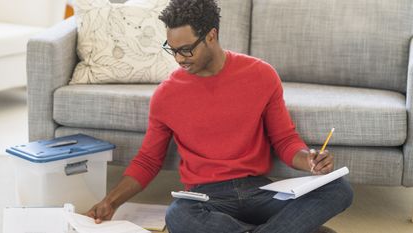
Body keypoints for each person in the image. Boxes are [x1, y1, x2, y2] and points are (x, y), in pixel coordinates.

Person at [86, 0, 353, 232]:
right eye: (172, 49)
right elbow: (147, 161)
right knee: (178, 215)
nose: (179, 59)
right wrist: (111, 201)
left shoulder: (261, 75)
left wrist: (310, 161)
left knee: (338, 189)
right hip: (205, 198)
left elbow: (284, 140)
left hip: (260, 191)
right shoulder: (166, 95)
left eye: (186, 49)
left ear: (211, 36)